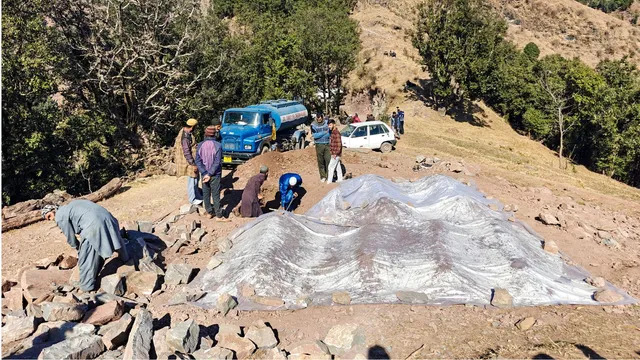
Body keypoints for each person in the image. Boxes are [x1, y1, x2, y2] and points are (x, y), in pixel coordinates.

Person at [41, 201, 129, 292]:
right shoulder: (71, 205)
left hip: (94, 226)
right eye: (48, 219)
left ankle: (87, 287)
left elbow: (70, 237)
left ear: (53, 209)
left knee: (87, 258)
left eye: (49, 216)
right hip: (109, 218)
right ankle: (125, 258)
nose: (51, 219)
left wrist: (79, 248)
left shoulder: (59, 215)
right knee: (115, 239)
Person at [196, 126, 229, 221]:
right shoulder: (218, 145)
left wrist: (204, 172)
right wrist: (210, 174)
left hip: (204, 174)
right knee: (215, 194)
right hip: (215, 174)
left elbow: (198, 161)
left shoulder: (200, 145)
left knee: (206, 193)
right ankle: (219, 215)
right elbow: (217, 162)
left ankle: (209, 212)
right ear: (215, 134)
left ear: (205, 134)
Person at [173, 118, 202, 205]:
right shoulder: (185, 137)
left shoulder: (186, 133)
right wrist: (193, 164)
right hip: (189, 162)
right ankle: (192, 199)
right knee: (192, 180)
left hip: (191, 160)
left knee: (196, 178)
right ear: (192, 127)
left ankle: (197, 195)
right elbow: (187, 152)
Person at [311, 114, 331, 182]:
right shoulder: (313, 125)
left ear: (322, 117)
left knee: (328, 160)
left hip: (327, 144)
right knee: (321, 161)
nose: (319, 119)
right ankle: (323, 176)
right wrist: (324, 133)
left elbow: (329, 132)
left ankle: (329, 176)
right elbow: (315, 136)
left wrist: (326, 133)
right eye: (317, 118)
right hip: (319, 144)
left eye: (320, 118)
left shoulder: (326, 122)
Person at [327, 119, 343, 184]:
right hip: (335, 153)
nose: (329, 126)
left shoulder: (336, 133)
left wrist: (335, 154)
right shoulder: (332, 132)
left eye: (330, 125)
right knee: (337, 167)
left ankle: (329, 181)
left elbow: (339, 145)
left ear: (334, 124)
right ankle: (340, 179)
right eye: (328, 125)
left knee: (330, 167)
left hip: (336, 154)